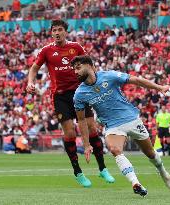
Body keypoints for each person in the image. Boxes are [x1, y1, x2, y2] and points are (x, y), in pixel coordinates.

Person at [26, 20, 114, 187]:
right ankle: (78, 172)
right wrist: (30, 82)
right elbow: (34, 68)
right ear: (51, 33)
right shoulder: (46, 50)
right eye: (54, 30)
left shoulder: (76, 47)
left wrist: (94, 84)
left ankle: (102, 168)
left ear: (66, 32)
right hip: (60, 97)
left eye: (60, 30)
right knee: (70, 133)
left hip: (80, 93)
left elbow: (90, 66)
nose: (57, 33)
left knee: (91, 128)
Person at [71, 55, 170, 197]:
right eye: (74, 69)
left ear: (89, 65)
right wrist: (87, 144)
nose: (75, 72)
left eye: (78, 68)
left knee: (150, 153)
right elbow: (81, 120)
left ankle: (162, 170)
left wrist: (159, 87)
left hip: (131, 119)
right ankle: (135, 183)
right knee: (114, 149)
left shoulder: (109, 76)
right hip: (113, 127)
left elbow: (136, 80)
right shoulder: (79, 94)